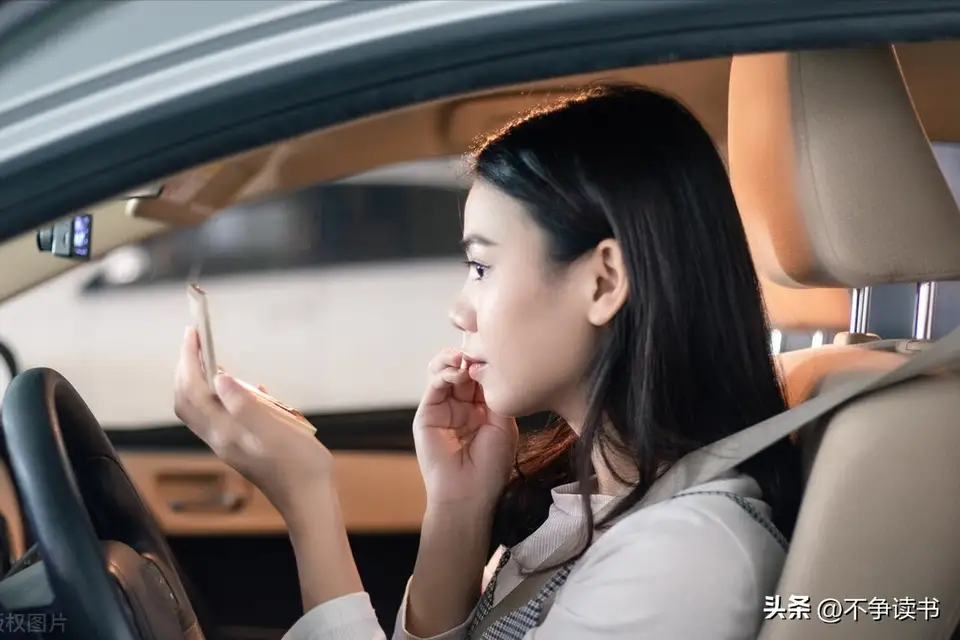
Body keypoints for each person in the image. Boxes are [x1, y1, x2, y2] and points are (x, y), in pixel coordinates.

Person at [173, 84, 802, 639]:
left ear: (605, 281)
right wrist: (458, 509)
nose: (459, 310)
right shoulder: (599, 505)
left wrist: (308, 502)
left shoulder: (681, 557)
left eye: (482, 266)